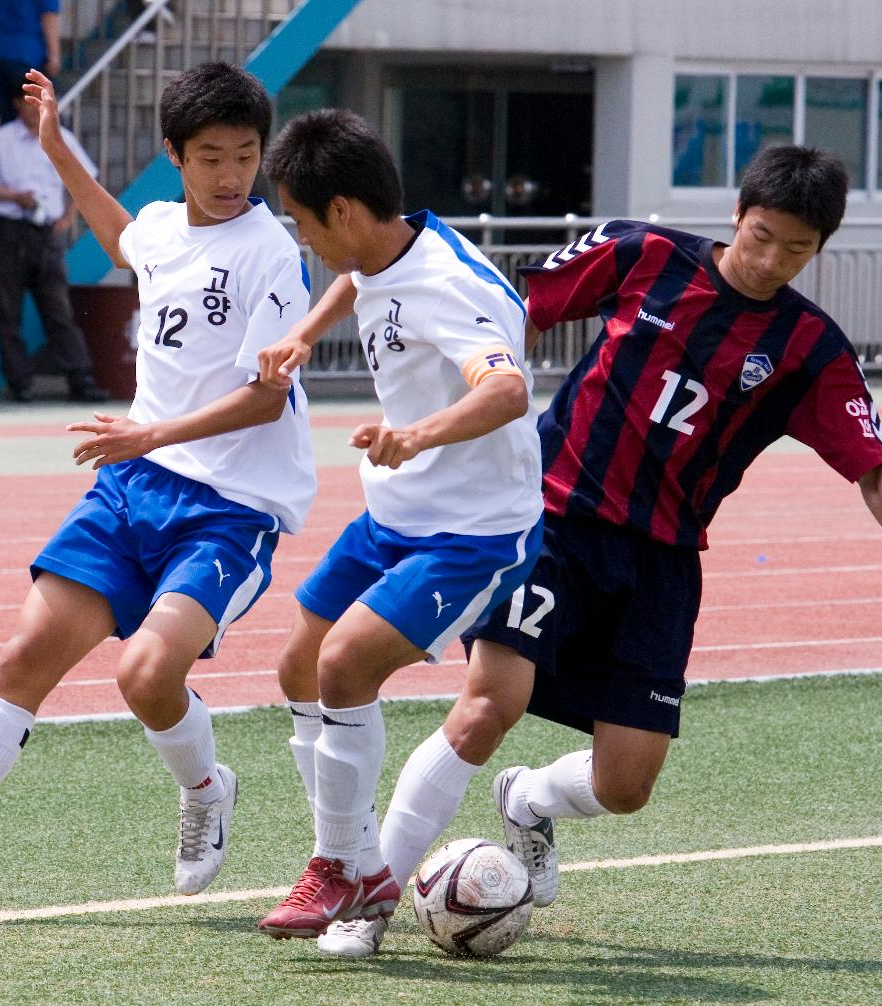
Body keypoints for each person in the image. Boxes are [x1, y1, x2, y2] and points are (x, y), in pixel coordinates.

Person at [297, 144, 882, 957]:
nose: (771, 259)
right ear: (738, 216)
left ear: (820, 250)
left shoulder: (810, 347)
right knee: (489, 705)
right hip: (552, 523)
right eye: (762, 235)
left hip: (662, 565)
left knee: (626, 785)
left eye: (797, 249)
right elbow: (510, 309)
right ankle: (369, 905)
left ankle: (527, 800)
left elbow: (869, 456)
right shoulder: (640, 254)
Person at [0, 62, 316, 909]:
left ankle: (207, 789)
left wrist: (152, 432)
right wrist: (55, 146)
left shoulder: (271, 253)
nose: (230, 176)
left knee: (145, 676)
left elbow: (266, 394)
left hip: (229, 508)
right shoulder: (163, 227)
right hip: (133, 486)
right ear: (173, 156)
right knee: (24, 656)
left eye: (247, 156)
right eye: (211, 156)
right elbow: (120, 235)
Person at [250, 109, 545, 943]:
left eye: (303, 223)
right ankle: (349, 854)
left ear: (341, 210)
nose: (303, 241)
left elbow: (508, 390)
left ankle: (346, 866)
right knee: (300, 663)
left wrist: (413, 434)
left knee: (344, 663)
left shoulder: (447, 286)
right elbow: (359, 280)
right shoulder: (391, 241)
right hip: (400, 513)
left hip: (477, 531)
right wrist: (304, 333)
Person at [0, 81, 107, 403]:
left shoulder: (62, 138)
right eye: (28, 101)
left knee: (58, 308)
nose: (35, 108)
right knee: (8, 310)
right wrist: (15, 197)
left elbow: (84, 178)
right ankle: (20, 383)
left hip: (45, 232)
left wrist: (70, 217)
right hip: (8, 228)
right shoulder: (0, 141)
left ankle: (81, 378)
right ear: (17, 103)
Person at [0, 0, 61, 125]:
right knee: (33, 117)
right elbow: (49, 16)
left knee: (7, 115)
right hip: (25, 53)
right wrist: (54, 55)